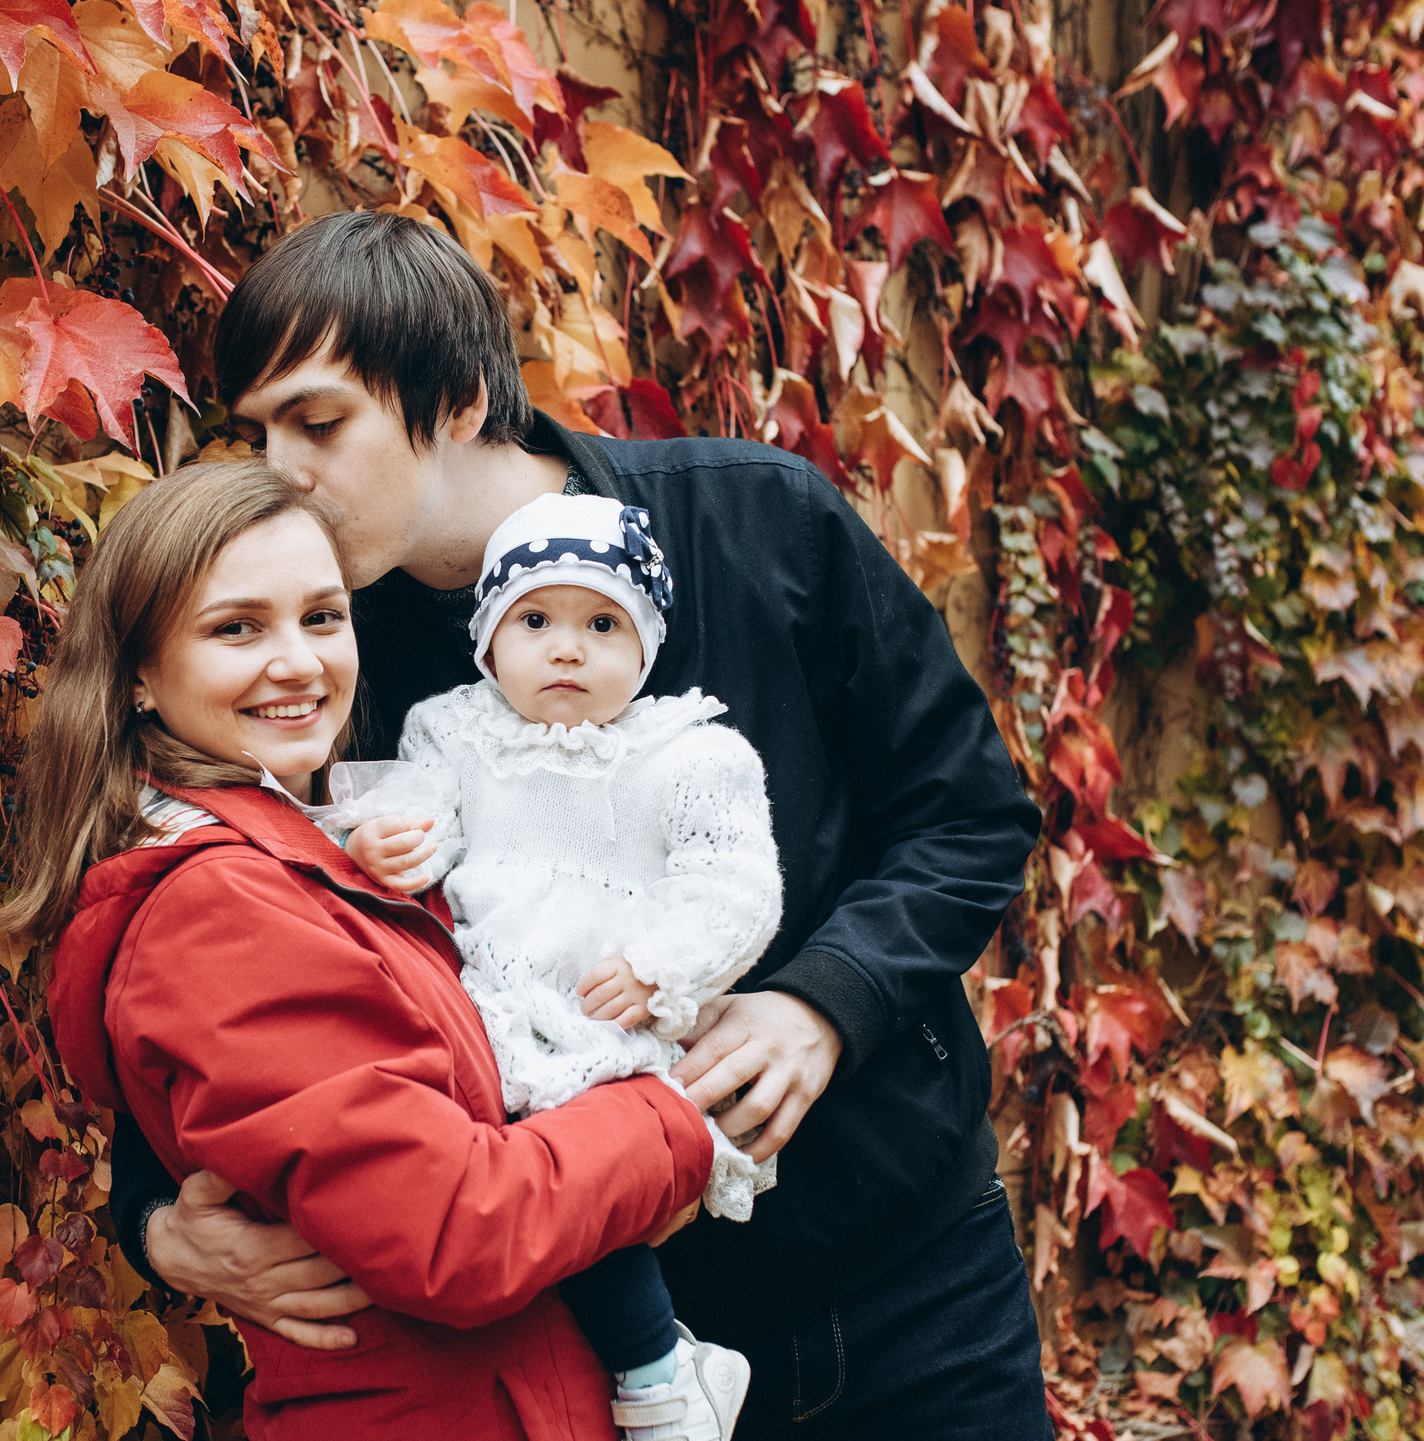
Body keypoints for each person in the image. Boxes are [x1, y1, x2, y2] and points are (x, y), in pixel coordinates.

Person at [110, 212, 1052, 1439]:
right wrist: (154, 1219)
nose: (279, 467)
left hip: (910, 1281)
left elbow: (969, 809)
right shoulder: (327, 660)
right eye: (258, 430)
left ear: (450, 397)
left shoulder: (755, 525)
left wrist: (830, 998)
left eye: (319, 420)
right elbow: (217, 935)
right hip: (608, 1347)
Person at [5, 461, 729, 1439]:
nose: (299, 662)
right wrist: (672, 1120)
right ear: (138, 671)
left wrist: (148, 1218)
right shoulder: (219, 906)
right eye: (237, 627)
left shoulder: (319, 836)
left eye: (322, 616)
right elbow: (460, 1230)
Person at [336, 490, 782, 1441]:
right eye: (534, 619)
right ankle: (637, 1370)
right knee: (478, 1192)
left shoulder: (687, 755)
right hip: (484, 1003)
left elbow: (737, 887)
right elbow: (424, 823)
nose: (567, 647)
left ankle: (658, 1369)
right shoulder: (452, 732)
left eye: (602, 622)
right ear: (489, 638)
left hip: (605, 1014)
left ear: (647, 645)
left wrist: (661, 966)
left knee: (566, 1173)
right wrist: (392, 840)